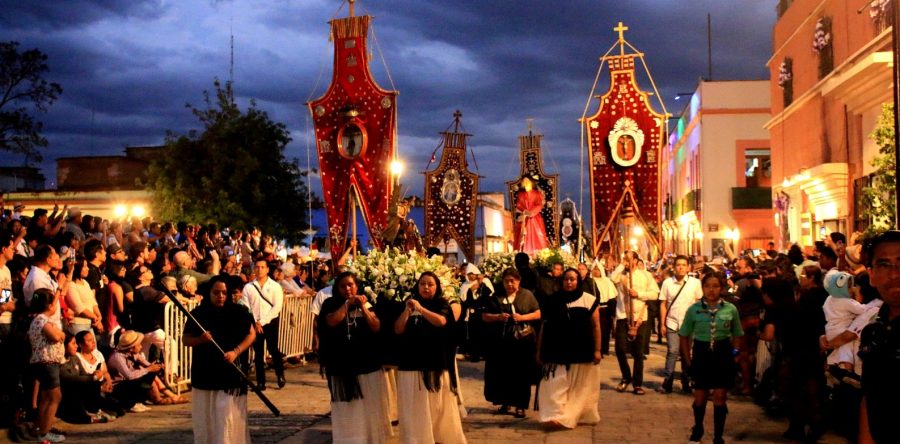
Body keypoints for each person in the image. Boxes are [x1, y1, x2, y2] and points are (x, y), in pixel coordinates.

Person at [318, 271, 391, 443]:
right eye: (343, 286)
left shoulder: (366, 303)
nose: (347, 289)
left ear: (357, 286)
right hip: (341, 363)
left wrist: (363, 307)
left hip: (366, 362)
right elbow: (331, 321)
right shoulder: (330, 303)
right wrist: (347, 304)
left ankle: (370, 437)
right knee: (347, 405)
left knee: (368, 404)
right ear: (337, 288)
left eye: (350, 285)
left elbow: (376, 326)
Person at [393, 271, 466, 443]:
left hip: (435, 363)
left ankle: (438, 437)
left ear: (437, 287)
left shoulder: (441, 304)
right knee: (415, 407)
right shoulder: (408, 304)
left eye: (430, 284)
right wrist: (407, 311)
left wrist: (420, 309)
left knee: (435, 406)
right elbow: (398, 329)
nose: (426, 287)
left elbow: (441, 322)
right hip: (411, 363)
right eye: (422, 284)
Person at [183, 276, 256, 444]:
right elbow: (186, 339)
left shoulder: (239, 312)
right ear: (209, 293)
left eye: (224, 292)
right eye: (216, 293)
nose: (220, 296)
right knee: (206, 416)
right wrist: (201, 339)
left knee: (227, 417)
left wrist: (236, 352)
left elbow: (251, 334)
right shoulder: (198, 314)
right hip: (205, 371)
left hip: (230, 374)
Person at [679, 273, 744, 444]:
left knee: (720, 396)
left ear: (721, 288)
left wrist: (735, 354)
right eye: (707, 286)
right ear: (703, 288)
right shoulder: (693, 310)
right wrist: (687, 359)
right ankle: (698, 427)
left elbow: (737, 334)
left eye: (715, 286)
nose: (711, 290)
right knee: (700, 396)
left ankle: (718, 435)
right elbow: (684, 335)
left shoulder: (730, 309)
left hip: (722, 353)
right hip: (701, 352)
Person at [536, 268, 601, 429]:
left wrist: (597, 350)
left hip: (581, 349)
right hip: (556, 349)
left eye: (572, 279)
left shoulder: (589, 300)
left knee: (578, 387)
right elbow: (544, 326)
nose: (569, 282)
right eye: (566, 279)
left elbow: (596, 326)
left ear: (578, 281)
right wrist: (539, 350)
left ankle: (569, 416)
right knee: (553, 384)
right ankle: (553, 415)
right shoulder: (552, 300)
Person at [481, 267, 541, 418]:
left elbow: (538, 313)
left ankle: (520, 405)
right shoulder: (497, 296)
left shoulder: (527, 295)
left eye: (512, 281)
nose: (509, 284)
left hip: (522, 341)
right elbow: (485, 316)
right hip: (501, 341)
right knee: (503, 373)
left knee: (521, 373)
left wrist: (522, 318)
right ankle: (505, 402)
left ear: (518, 281)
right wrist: (498, 317)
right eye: (506, 281)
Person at [858, 230, 900, 444]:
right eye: (884, 264)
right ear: (871, 275)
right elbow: (870, 395)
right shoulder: (873, 331)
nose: (894, 274)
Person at [610, 252, 659, 395]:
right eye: (625, 258)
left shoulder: (645, 275)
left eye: (629, 258)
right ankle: (626, 377)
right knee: (620, 349)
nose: (626, 261)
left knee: (638, 352)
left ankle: (637, 383)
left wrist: (639, 294)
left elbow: (654, 294)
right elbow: (612, 278)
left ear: (636, 260)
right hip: (623, 316)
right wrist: (622, 264)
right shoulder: (621, 275)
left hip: (640, 317)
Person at [657, 255, 703, 393]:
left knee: (686, 353)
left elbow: (698, 302)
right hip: (672, 322)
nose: (681, 267)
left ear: (688, 267)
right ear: (674, 267)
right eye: (678, 265)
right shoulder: (667, 283)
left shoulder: (695, 283)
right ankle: (668, 380)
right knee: (672, 351)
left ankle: (686, 380)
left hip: (689, 324)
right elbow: (663, 304)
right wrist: (662, 324)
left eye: (684, 265)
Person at [28, 288, 67, 443]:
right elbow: (55, 336)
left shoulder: (38, 319)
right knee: (55, 397)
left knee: (46, 397)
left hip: (43, 363)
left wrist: (57, 291)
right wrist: (60, 334)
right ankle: (45, 432)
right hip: (47, 362)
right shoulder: (42, 320)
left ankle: (41, 427)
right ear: (50, 306)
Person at [241, 258, 286, 390]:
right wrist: (255, 322)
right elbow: (246, 306)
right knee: (258, 352)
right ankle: (261, 381)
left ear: (267, 269)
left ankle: (280, 374)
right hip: (254, 322)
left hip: (270, 321)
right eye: (257, 267)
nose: (259, 270)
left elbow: (277, 307)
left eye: (262, 267)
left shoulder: (275, 286)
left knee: (273, 349)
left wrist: (263, 321)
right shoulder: (248, 287)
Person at [513, 177, 548, 255]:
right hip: (524, 217)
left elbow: (539, 205)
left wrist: (531, 212)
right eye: (524, 181)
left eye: (527, 181)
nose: (526, 183)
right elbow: (519, 205)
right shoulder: (521, 194)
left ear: (531, 182)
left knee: (536, 235)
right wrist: (524, 211)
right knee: (521, 236)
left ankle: (537, 253)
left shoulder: (537, 193)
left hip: (534, 218)